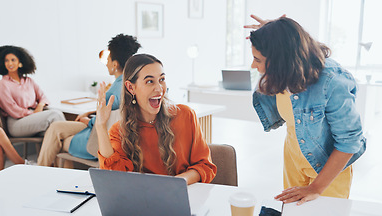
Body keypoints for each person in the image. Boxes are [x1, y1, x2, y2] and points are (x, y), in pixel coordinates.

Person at [246, 16, 366, 204]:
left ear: (280, 59)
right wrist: (274, 31)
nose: (253, 65)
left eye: (257, 59)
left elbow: (350, 141)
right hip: (294, 160)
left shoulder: (332, 81)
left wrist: (316, 188)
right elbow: (293, 44)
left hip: (328, 171)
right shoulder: (284, 71)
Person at [95, 54, 217, 185]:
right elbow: (114, 177)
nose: (159, 88)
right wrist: (100, 126)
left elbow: (205, 166)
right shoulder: (118, 131)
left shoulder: (185, 115)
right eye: (149, 81)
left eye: (162, 79)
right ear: (131, 87)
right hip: (144, 202)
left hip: (185, 194)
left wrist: (176, 183)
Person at [37, 34, 141, 167]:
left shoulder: (113, 92)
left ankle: (40, 171)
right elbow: (114, 111)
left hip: (98, 139)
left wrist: (88, 120)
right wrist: (91, 113)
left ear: (115, 64)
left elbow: (104, 119)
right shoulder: (130, 84)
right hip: (112, 135)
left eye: (108, 59)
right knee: (56, 127)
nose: (106, 63)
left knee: (59, 140)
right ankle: (41, 169)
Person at [0, 45, 65, 137]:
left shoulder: (29, 81)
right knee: (55, 115)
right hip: (16, 123)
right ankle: (70, 146)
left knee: (53, 130)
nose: (10, 63)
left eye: (13, 60)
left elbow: (43, 97)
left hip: (33, 118)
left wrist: (40, 105)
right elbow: (11, 108)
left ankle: (57, 150)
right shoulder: (3, 83)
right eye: (7, 60)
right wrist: (32, 113)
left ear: (20, 62)